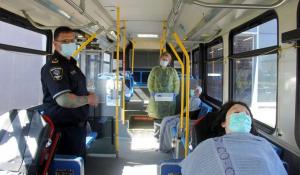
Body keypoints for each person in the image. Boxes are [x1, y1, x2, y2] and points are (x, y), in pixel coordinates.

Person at [180, 101, 287, 175]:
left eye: (247, 114)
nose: (242, 116)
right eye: (236, 112)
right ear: (223, 123)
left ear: (250, 123)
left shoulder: (263, 144)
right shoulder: (209, 145)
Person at [41, 26, 99, 158]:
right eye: (65, 41)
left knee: (77, 166)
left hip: (76, 129)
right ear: (55, 44)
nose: (70, 44)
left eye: (72, 41)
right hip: (64, 132)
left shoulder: (70, 64)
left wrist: (87, 93)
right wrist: (88, 99)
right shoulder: (55, 67)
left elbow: (74, 88)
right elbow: (64, 100)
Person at [159, 86, 203, 152]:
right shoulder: (191, 98)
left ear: (199, 93)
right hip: (183, 115)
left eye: (197, 91)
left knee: (168, 124)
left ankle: (166, 147)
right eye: (195, 90)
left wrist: (182, 115)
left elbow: (192, 113)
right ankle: (164, 145)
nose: (195, 92)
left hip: (186, 117)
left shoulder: (197, 101)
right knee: (165, 120)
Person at [146, 52, 180, 119]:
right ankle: (157, 127)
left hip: (169, 97)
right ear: (160, 59)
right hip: (157, 96)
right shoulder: (155, 70)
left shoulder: (173, 71)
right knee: (157, 115)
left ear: (169, 61)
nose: (164, 61)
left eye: (166, 60)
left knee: (168, 116)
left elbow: (176, 82)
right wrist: (151, 91)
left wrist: (176, 92)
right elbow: (150, 82)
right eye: (163, 59)